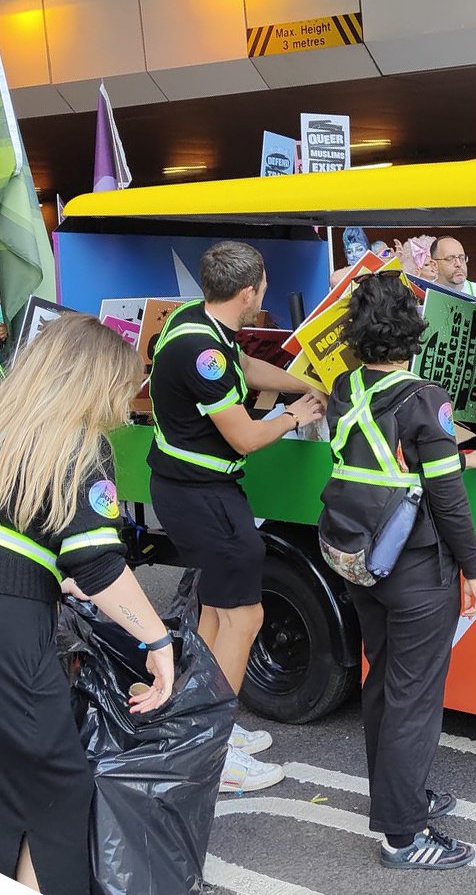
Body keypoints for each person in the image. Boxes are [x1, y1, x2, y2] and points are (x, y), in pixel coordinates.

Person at [324, 273, 476, 870]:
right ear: (413, 330)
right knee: (414, 697)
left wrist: (454, 453)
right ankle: (403, 834)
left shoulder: (345, 389)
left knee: (384, 684)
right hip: (417, 567)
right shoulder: (427, 398)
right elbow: (447, 499)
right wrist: (473, 571)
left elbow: (389, 460)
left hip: (359, 559)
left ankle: (398, 794)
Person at [0, 314, 175, 893]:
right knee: (58, 784)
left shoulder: (10, 422)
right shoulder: (79, 446)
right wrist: (158, 640)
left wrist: (49, 572)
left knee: (10, 781)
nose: (127, 404)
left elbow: (31, 536)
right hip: (13, 633)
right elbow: (100, 567)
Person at [148, 241, 326, 793]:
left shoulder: (196, 322)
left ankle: (193, 720)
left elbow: (244, 366)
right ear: (250, 292)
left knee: (214, 616)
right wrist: (293, 417)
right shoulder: (204, 355)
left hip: (189, 490)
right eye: (264, 286)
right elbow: (246, 437)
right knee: (244, 619)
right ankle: (213, 751)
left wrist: (309, 385)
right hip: (203, 496)